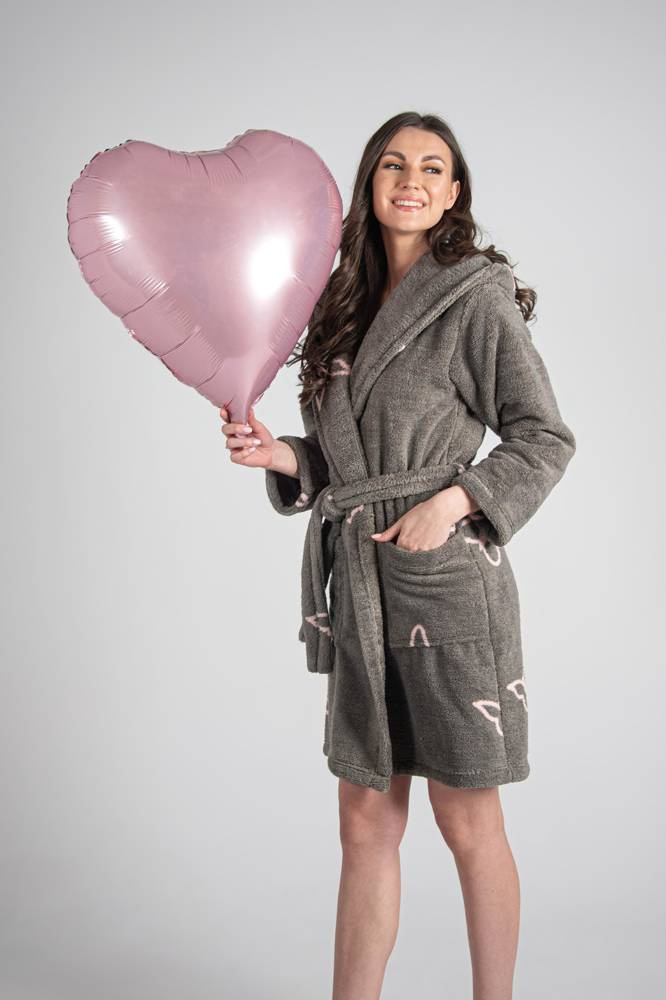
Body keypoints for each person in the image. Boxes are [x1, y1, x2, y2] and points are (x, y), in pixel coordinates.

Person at [219, 111, 576, 1000]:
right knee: (363, 822)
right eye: (392, 164)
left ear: (454, 193)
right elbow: (349, 463)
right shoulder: (338, 303)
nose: (410, 179)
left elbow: (543, 436)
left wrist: (454, 504)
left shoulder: (475, 296)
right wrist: (283, 456)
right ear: (369, 183)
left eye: (430, 167)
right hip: (363, 587)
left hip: (445, 584)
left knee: (467, 819)